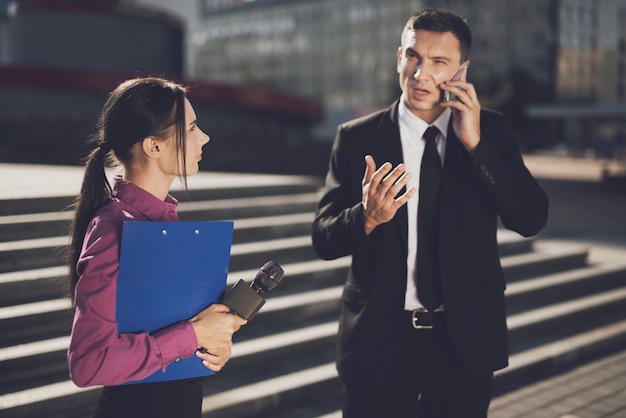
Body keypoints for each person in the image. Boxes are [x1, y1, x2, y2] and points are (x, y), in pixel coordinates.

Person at [311, 8, 548, 418]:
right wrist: (365, 217)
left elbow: (530, 218)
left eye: (439, 62)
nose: (421, 73)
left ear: (462, 70)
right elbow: (323, 237)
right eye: (413, 56)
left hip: (463, 340)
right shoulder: (355, 138)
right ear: (398, 57)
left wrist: (475, 146)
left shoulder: (491, 131)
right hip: (379, 341)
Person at [66, 77, 247, 418]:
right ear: (154, 146)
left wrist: (211, 346)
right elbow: (88, 364)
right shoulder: (114, 228)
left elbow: (173, 334)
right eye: (191, 128)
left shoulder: (166, 225)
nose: (203, 137)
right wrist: (192, 334)